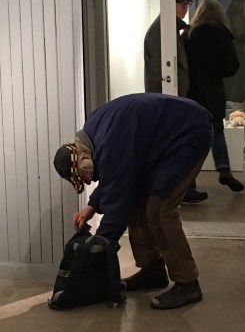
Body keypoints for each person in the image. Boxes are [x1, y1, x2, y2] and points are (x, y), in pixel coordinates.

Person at [53, 93, 213, 310]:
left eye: (85, 177)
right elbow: (115, 179)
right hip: (165, 138)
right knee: (138, 205)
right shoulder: (93, 138)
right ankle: (152, 271)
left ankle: (188, 283)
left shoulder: (110, 145)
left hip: (188, 132)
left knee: (159, 209)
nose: (90, 180)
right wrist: (91, 207)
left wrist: (100, 245)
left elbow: (118, 202)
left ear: (83, 160)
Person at [144, 0, 208, 204]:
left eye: (188, 5)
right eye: (182, 4)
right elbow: (161, 72)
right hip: (168, 100)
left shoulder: (169, 28)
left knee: (177, 145)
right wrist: (170, 100)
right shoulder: (161, 31)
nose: (185, 9)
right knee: (176, 147)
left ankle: (183, 188)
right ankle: (180, 189)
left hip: (172, 98)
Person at [185, 0, 245, 192]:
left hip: (193, 92)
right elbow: (232, 67)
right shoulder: (223, 35)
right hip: (214, 92)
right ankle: (224, 169)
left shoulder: (190, 35)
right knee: (217, 132)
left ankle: (189, 180)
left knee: (193, 137)